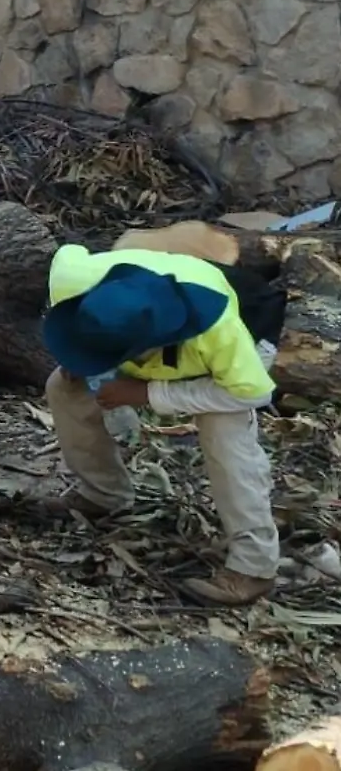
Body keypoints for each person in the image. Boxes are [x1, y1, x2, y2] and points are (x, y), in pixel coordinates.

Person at [39, 244, 281, 606]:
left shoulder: (222, 334)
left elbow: (251, 394)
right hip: (140, 325)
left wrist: (147, 393)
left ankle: (254, 567)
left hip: (240, 339)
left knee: (225, 434)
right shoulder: (76, 279)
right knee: (64, 387)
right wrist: (81, 350)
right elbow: (68, 252)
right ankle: (103, 494)